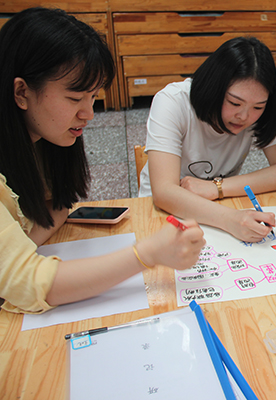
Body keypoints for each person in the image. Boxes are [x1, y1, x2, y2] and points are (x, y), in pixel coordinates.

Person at [0, 8, 206, 314]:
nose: (89, 114)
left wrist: (22, 246)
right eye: (75, 98)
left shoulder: (42, 139)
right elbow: (33, 284)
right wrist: (147, 254)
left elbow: (58, 205)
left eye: (93, 97)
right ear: (21, 92)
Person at [139, 36, 276, 243]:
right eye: (234, 103)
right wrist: (230, 219)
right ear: (214, 87)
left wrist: (217, 187)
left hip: (219, 208)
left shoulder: (259, 112)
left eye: (258, 107)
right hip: (162, 215)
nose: (244, 116)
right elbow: (164, 192)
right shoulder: (173, 102)